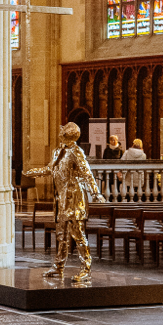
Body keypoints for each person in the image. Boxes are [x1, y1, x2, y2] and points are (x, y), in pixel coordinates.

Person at [26, 121, 105, 284]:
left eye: (63, 132)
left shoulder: (76, 152)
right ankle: (59, 265)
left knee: (78, 234)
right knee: (61, 234)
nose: (60, 133)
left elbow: (87, 173)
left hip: (75, 197)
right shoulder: (58, 152)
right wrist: (35, 172)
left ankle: (86, 268)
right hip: (61, 199)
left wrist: (95, 193)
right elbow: (50, 169)